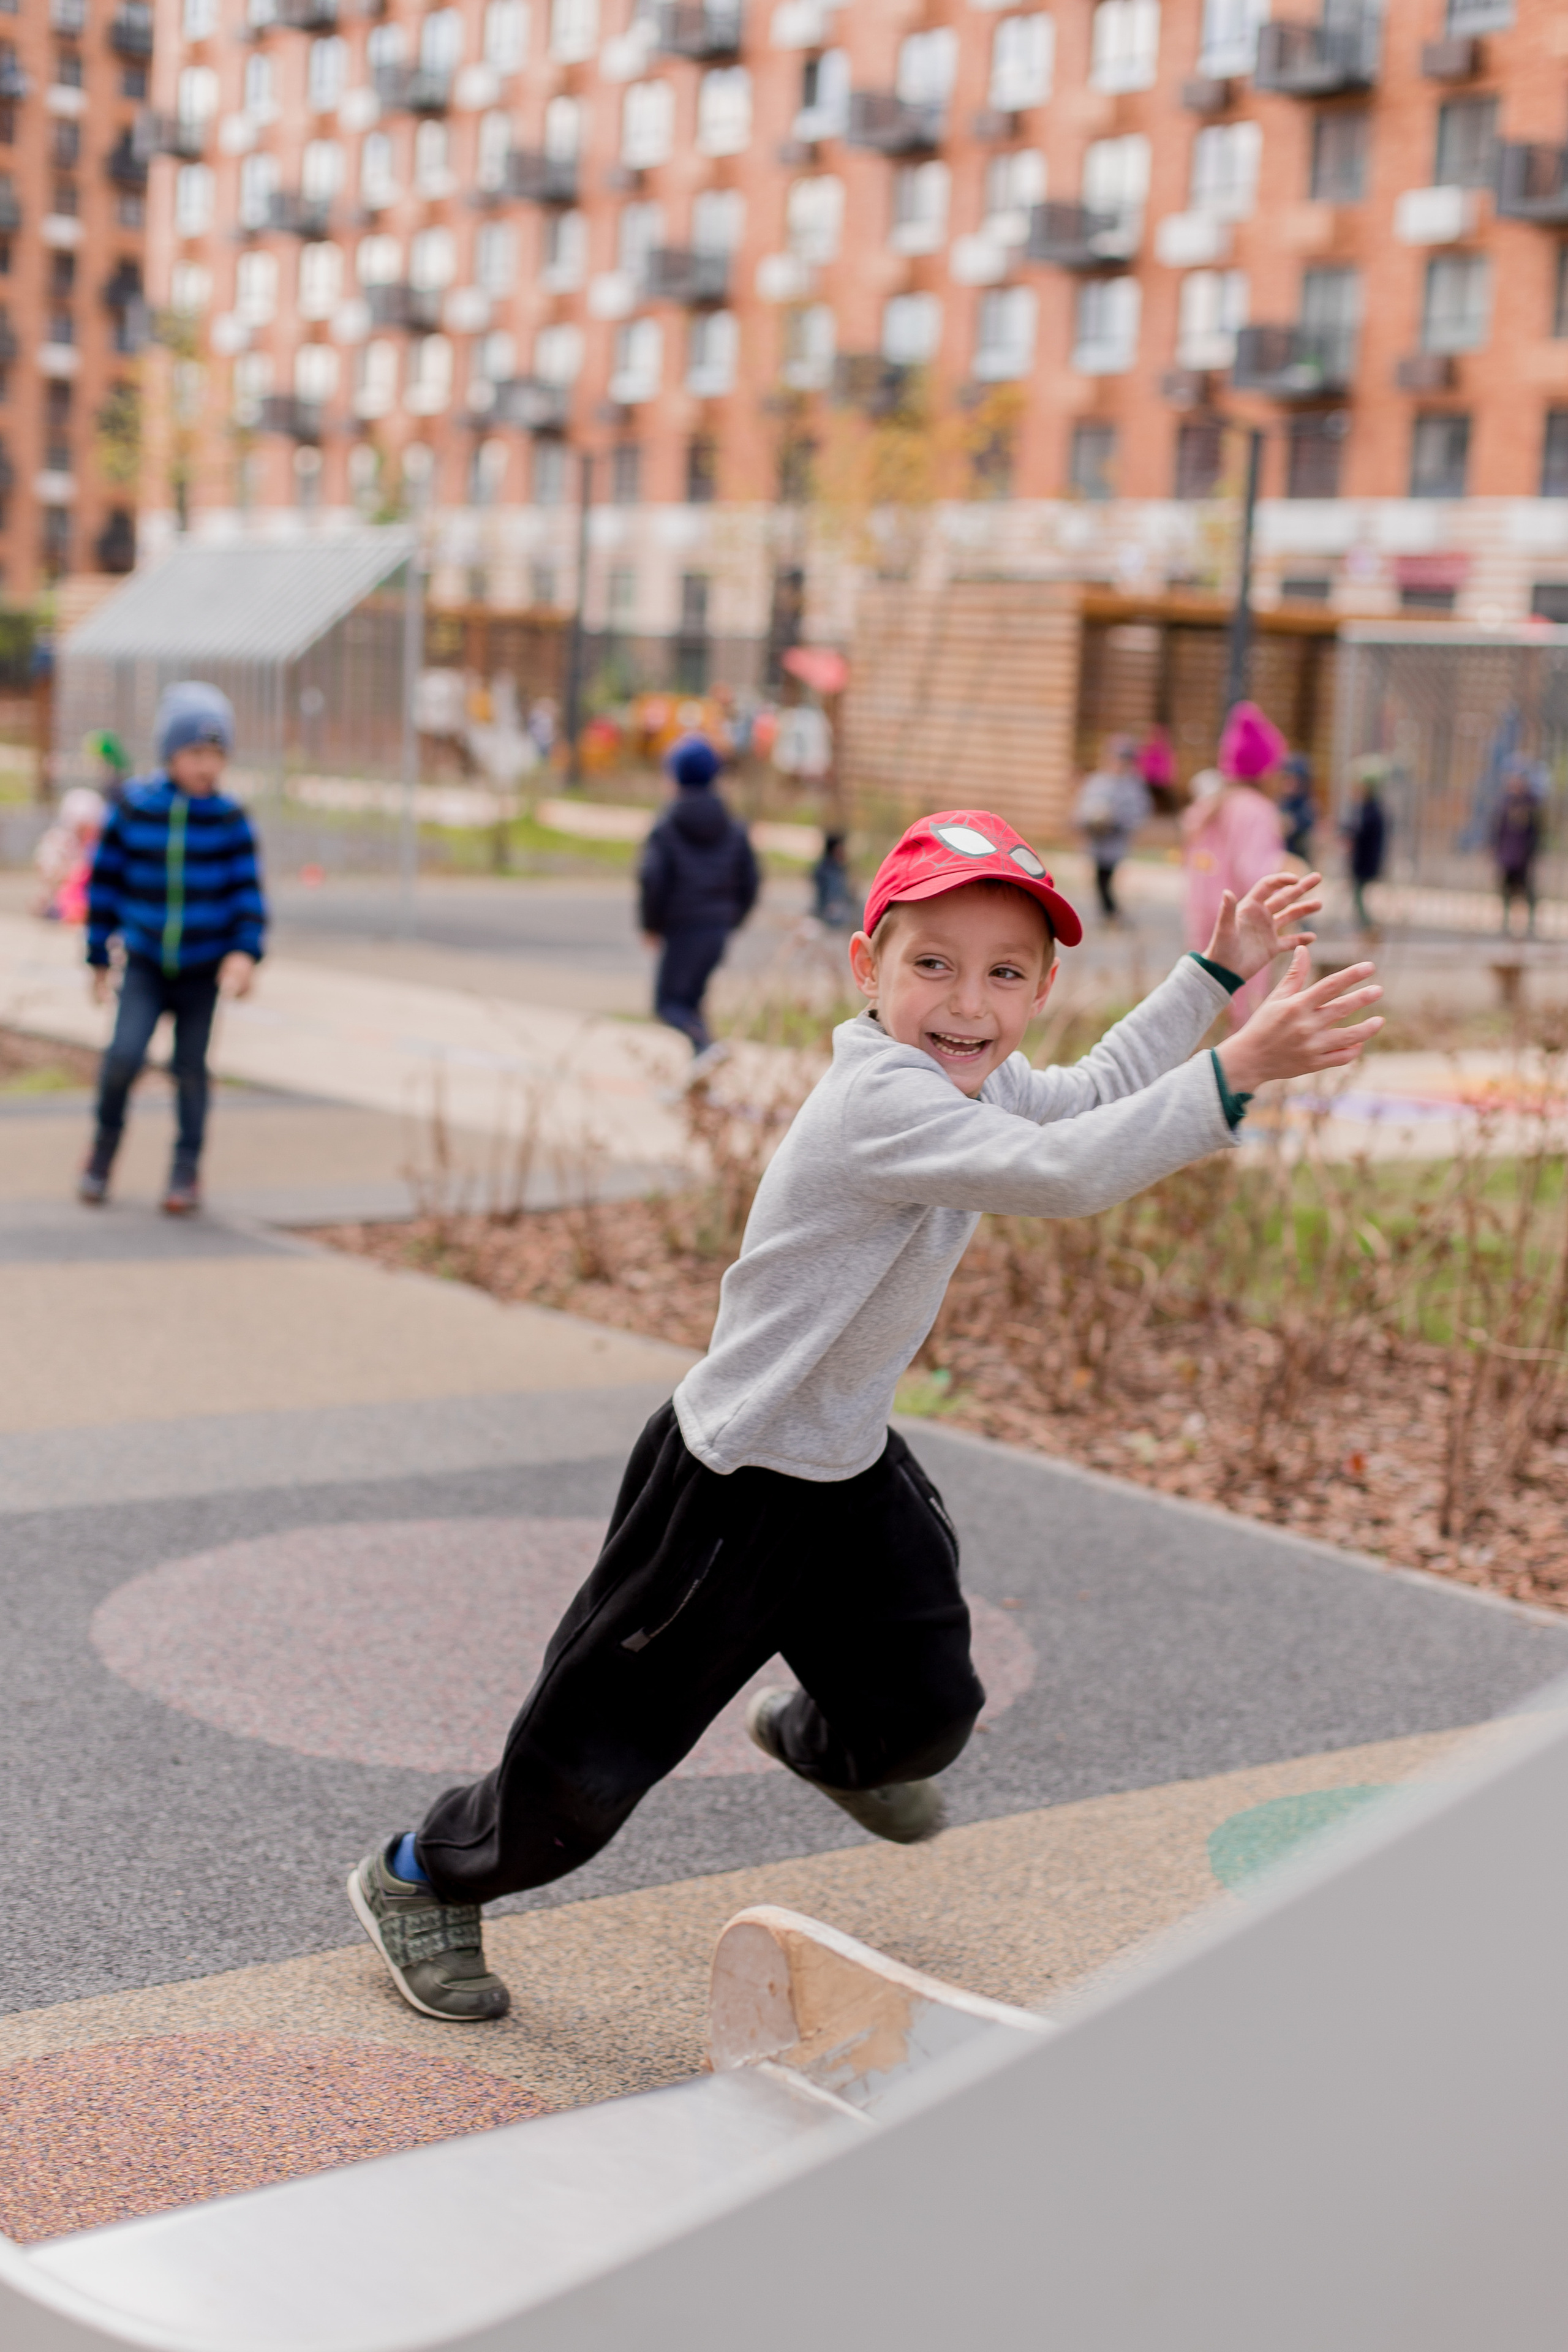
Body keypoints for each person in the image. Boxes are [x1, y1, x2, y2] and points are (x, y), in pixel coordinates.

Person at [345, 805, 1381, 2021]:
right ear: (868, 969)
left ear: (1040, 989)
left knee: (926, 1711)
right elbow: (1068, 1174)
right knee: (585, 1770)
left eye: (1003, 974)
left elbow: (1094, 1094)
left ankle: (817, 1736)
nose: (965, 1001)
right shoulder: (879, 1104)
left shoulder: (974, 1083)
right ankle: (420, 1877)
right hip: (729, 1484)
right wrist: (1238, 1068)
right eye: (930, 964)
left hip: (845, 1470)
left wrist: (1208, 976)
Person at [79, 681, 266, 1216]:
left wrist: (244, 953)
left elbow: (247, 893)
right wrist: (97, 956)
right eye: (196, 754)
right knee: (124, 1058)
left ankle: (186, 1168)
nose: (207, 766)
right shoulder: (136, 808)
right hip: (143, 962)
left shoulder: (230, 819)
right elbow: (105, 884)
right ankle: (102, 1150)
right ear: (170, 754)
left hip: (202, 969)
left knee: (191, 1068)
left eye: (217, 754)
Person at [637, 733, 759, 1063]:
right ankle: (702, 1069)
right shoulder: (732, 826)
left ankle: (706, 1048)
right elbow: (751, 879)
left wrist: (651, 925)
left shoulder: (667, 827)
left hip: (681, 927)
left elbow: (653, 880)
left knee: (669, 1004)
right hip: (717, 928)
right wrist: (732, 918)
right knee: (693, 1001)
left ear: (676, 776)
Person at [1182, 703, 1289, 1026]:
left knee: (1205, 998)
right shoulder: (1257, 811)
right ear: (1266, 770)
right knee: (1244, 1008)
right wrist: (1287, 873)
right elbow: (1256, 872)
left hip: (1204, 917)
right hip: (1240, 921)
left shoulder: (1208, 807)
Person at [1074, 737, 1151, 922]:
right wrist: (1089, 820)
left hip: (1115, 840)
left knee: (1107, 875)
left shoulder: (1133, 786)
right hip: (1097, 839)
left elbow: (1138, 813)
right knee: (1099, 876)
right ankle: (1110, 912)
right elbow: (1082, 808)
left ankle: (1111, 911)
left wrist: (1115, 821)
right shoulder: (1097, 782)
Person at [1493, 765, 1544, 938]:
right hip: (1507, 855)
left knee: (1527, 891)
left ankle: (1530, 926)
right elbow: (1498, 829)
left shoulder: (1531, 804)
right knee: (1506, 891)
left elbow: (1536, 832)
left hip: (1523, 855)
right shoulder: (1506, 803)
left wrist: (1532, 853)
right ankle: (1506, 924)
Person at [1341, 758, 1389, 938]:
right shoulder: (1368, 809)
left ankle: (1368, 927)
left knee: (1359, 897)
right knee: (1358, 896)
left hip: (1365, 862)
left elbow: (1359, 831)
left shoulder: (1371, 811)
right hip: (1364, 861)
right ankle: (1366, 928)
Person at [1278, 753, 1316, 867]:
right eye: (1287, 779)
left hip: (1297, 858)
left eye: (1294, 780)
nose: (1289, 783)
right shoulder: (1282, 802)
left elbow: (1292, 827)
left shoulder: (1306, 806)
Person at [812, 830, 856, 929]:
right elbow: (832, 893)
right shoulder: (829, 870)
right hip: (830, 911)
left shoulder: (835, 867)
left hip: (832, 909)